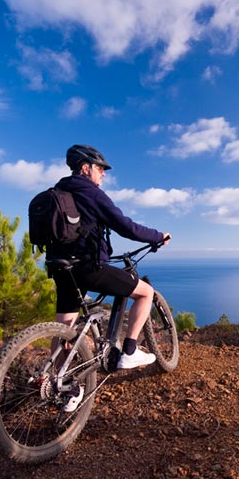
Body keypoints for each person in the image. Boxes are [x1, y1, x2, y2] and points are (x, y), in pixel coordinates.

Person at [48, 144, 170, 384]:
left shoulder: (57, 191)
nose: (103, 173)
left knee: (64, 327)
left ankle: (56, 380)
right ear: (85, 168)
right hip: (86, 268)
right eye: (100, 168)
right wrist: (158, 236)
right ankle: (130, 353)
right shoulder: (90, 193)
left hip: (60, 267)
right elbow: (125, 226)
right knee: (146, 293)